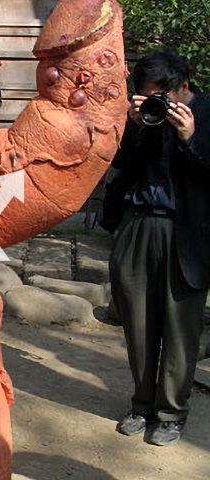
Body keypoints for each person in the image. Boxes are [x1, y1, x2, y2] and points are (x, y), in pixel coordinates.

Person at [109, 49, 210, 446]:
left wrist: (190, 140)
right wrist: (134, 128)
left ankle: (170, 413)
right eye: (150, 97)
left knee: (181, 329)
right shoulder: (141, 117)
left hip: (187, 234)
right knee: (138, 324)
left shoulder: (205, 114)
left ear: (184, 87)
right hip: (138, 225)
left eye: (166, 97)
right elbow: (118, 163)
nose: (160, 105)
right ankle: (141, 405)